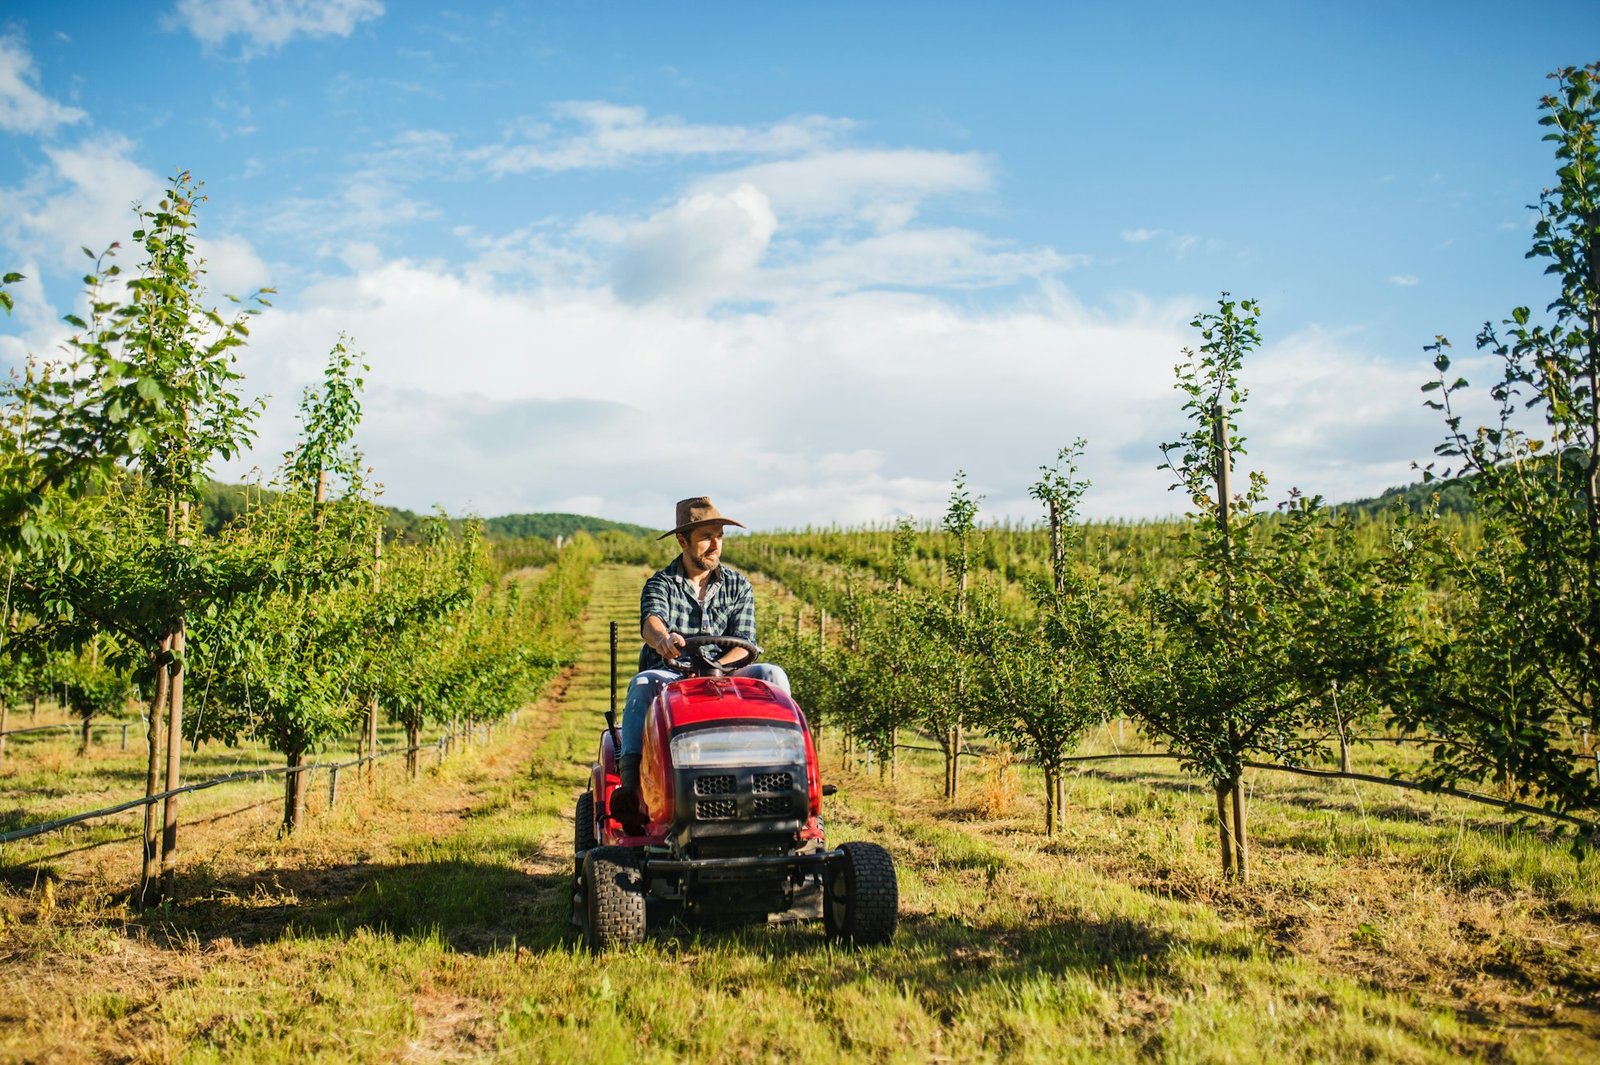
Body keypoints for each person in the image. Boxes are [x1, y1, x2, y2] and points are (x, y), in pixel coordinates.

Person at [610, 496, 790, 827]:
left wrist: (719, 667)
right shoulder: (662, 583)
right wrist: (664, 640)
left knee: (772, 674)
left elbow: (745, 642)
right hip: (672, 675)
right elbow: (652, 622)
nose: (715, 544)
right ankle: (631, 785)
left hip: (728, 674)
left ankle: (783, 772)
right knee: (643, 683)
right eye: (706, 536)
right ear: (683, 540)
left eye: (719, 535)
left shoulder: (738, 585)